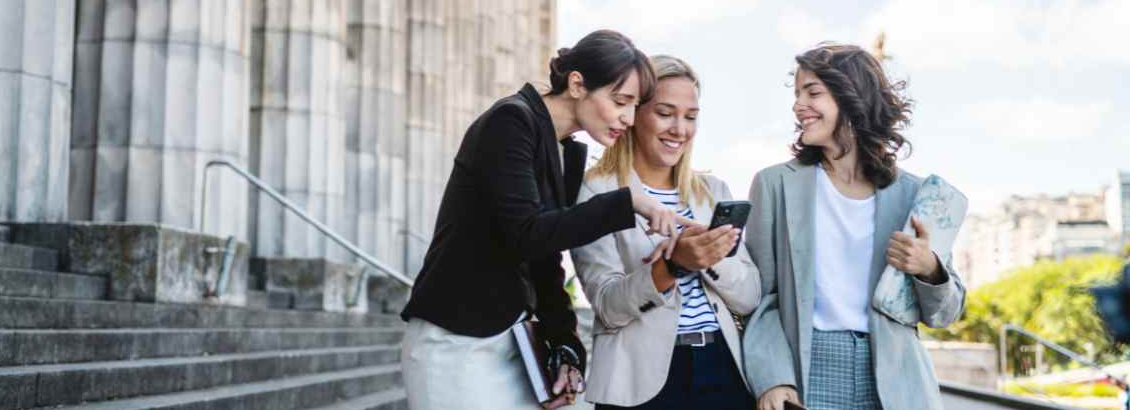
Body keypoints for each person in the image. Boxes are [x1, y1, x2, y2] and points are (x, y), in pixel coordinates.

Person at [401, 30, 695, 410]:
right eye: (620, 101)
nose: (627, 118)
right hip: (455, 342)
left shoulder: (566, 152)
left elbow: (546, 259)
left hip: (512, 342)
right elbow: (528, 234)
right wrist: (627, 202)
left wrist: (566, 344)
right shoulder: (509, 121)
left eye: (635, 105)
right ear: (577, 84)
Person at [744, 44, 967, 410]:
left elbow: (945, 313)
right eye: (797, 94)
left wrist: (929, 268)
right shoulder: (775, 186)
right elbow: (760, 298)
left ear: (852, 97)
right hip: (807, 373)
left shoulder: (914, 193)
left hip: (896, 380)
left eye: (813, 92)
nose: (798, 105)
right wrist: (772, 376)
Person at [572, 55, 760, 409]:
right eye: (665, 113)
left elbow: (749, 295)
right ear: (633, 114)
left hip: (722, 369)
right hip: (640, 380)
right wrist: (671, 266)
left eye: (690, 117)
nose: (680, 129)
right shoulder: (597, 192)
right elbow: (608, 306)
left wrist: (706, 258)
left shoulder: (713, 191)